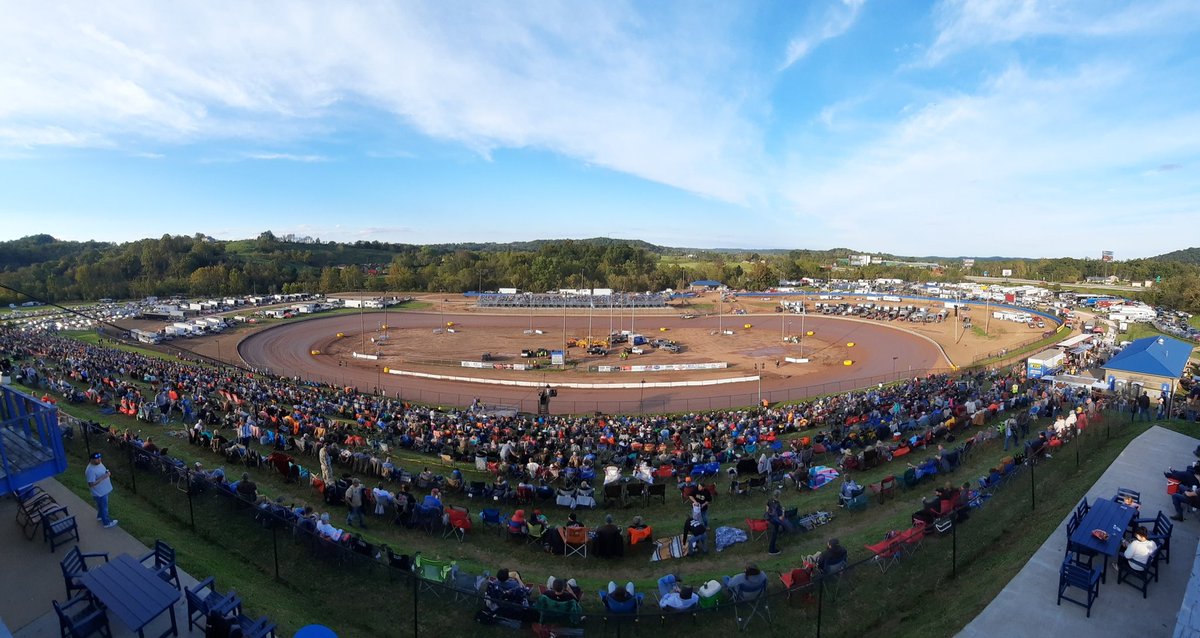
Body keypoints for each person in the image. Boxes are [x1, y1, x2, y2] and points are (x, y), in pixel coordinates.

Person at [85, 452, 118, 528]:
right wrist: (104, 477)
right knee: (104, 508)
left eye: (100, 458)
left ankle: (99, 517)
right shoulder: (90, 470)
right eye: (97, 459)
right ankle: (107, 523)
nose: (99, 460)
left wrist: (107, 472)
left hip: (103, 490)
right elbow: (91, 484)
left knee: (101, 507)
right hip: (99, 493)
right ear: (92, 460)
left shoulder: (99, 463)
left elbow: (102, 471)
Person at [765, 490, 786, 555]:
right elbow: (781, 518)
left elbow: (767, 509)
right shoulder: (778, 504)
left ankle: (773, 546)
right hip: (775, 522)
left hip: (769, 519)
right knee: (774, 535)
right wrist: (783, 511)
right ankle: (771, 550)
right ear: (779, 496)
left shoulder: (770, 500)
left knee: (774, 534)